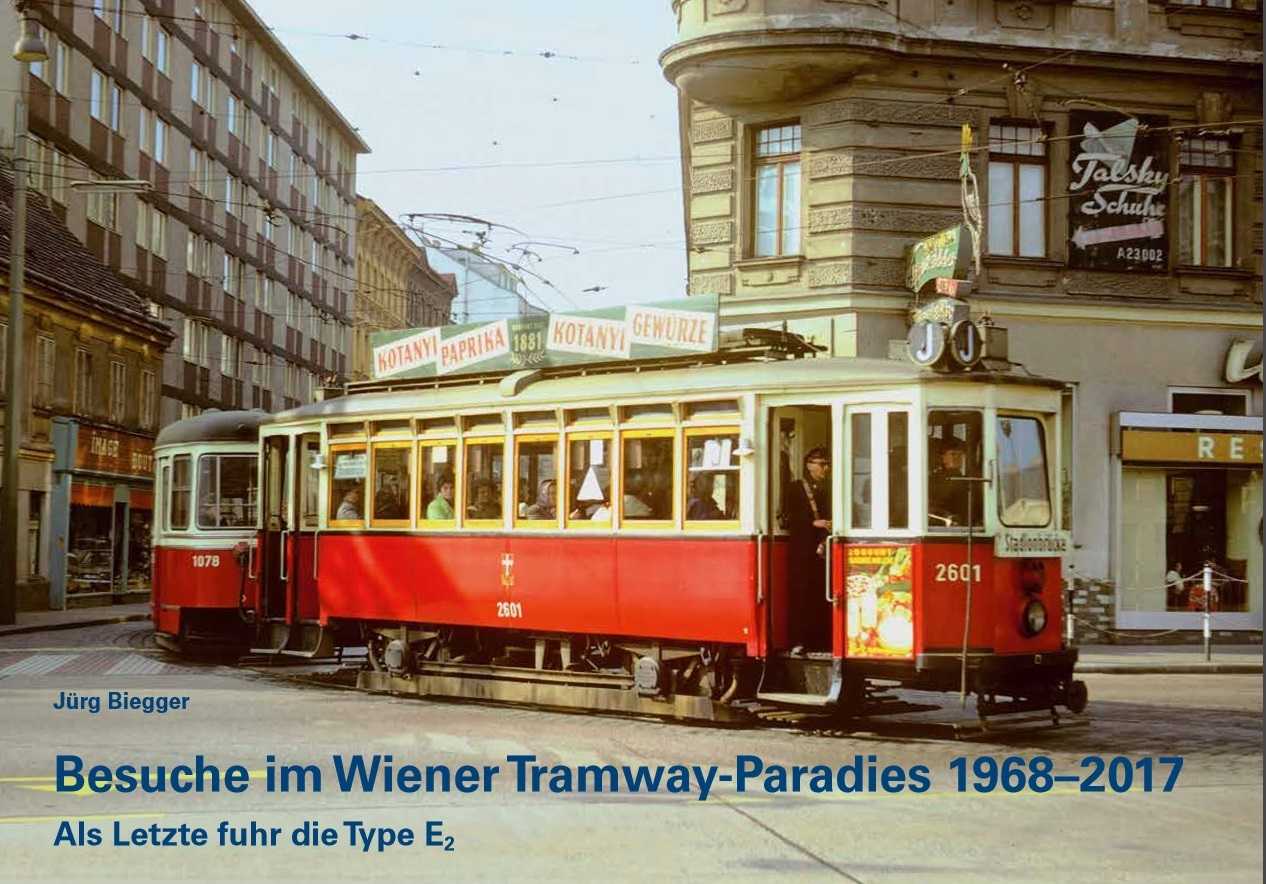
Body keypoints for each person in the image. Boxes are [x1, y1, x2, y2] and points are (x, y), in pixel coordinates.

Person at [785, 447, 832, 651]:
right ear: (809, 465)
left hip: (823, 548)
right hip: (802, 551)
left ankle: (821, 639)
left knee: (821, 594)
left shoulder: (829, 488)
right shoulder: (796, 488)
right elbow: (788, 517)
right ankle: (800, 640)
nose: (826, 468)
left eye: (827, 464)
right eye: (822, 464)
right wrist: (813, 524)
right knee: (802, 595)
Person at [928, 437, 971, 527]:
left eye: (960, 455)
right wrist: (945, 515)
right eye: (953, 454)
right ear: (942, 457)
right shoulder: (936, 480)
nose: (957, 458)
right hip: (943, 525)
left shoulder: (967, 479)